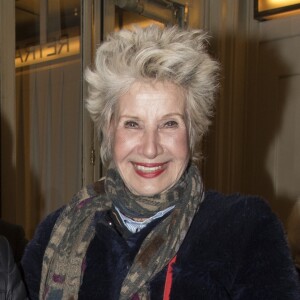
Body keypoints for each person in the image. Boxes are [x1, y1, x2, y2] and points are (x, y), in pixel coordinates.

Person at [21, 25, 300, 299]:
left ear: (193, 130)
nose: (150, 148)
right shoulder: (56, 231)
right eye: (132, 124)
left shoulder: (244, 229)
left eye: (169, 123)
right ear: (108, 128)